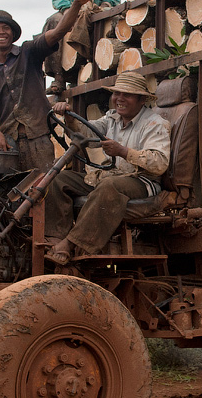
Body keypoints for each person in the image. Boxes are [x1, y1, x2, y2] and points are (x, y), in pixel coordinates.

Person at [0, 0, 97, 173]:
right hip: (8, 142)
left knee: (42, 187)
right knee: (10, 189)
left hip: (38, 138)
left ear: (12, 33)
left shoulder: (29, 52)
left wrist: (76, 3)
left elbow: (58, 32)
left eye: (5, 28)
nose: (1, 32)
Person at [43, 72, 170, 266]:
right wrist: (69, 118)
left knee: (109, 186)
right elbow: (86, 133)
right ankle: (54, 239)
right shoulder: (112, 118)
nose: (119, 99)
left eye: (127, 95)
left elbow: (159, 163)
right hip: (112, 176)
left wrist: (123, 152)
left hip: (143, 181)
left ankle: (71, 244)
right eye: (117, 93)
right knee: (60, 180)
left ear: (141, 99)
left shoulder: (154, 124)